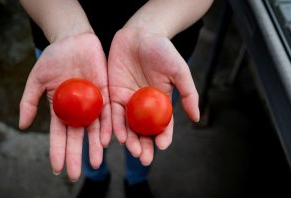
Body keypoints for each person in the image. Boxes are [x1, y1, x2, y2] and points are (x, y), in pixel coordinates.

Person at [18, 0, 213, 197]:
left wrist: (153, 28)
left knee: (143, 137)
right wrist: (65, 28)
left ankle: (136, 180)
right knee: (86, 133)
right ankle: (95, 177)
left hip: (158, 54)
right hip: (64, 46)